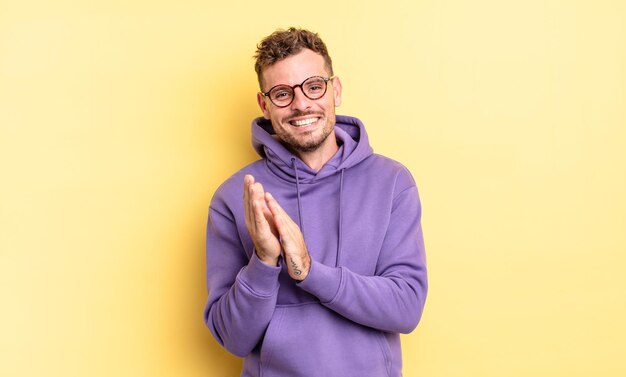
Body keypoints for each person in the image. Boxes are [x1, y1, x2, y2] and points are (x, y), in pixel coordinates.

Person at [204, 27, 427, 377]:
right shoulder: (236, 197)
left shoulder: (391, 182)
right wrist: (264, 261)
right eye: (282, 93)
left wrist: (308, 271)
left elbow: (406, 308)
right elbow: (233, 338)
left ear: (334, 90)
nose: (301, 104)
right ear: (264, 105)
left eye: (313, 86)